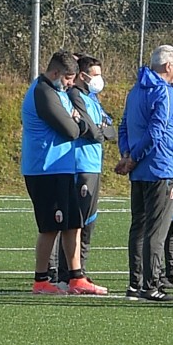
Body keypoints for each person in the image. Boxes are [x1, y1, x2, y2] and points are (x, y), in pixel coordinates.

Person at [118, 44, 173, 301]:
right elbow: (156, 132)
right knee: (156, 230)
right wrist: (134, 158)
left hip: (140, 171)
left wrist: (127, 155)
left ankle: (135, 284)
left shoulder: (135, 91)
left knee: (138, 227)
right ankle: (151, 285)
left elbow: (124, 125)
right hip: (161, 168)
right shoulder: (165, 93)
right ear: (168, 66)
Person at [20, 50, 93, 295]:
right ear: (55, 73)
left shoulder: (58, 92)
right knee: (51, 226)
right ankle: (41, 280)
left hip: (63, 168)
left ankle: (76, 277)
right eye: (69, 78)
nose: (71, 84)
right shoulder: (43, 92)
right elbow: (72, 130)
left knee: (74, 223)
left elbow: (77, 122)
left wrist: (77, 122)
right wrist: (79, 123)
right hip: (45, 170)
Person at [66, 55, 114, 287]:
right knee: (76, 221)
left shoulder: (92, 98)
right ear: (82, 76)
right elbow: (93, 132)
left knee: (89, 222)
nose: (98, 79)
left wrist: (100, 129)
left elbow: (111, 129)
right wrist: (98, 130)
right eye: (94, 74)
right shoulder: (75, 95)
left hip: (94, 165)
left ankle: (80, 271)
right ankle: (66, 272)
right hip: (81, 164)